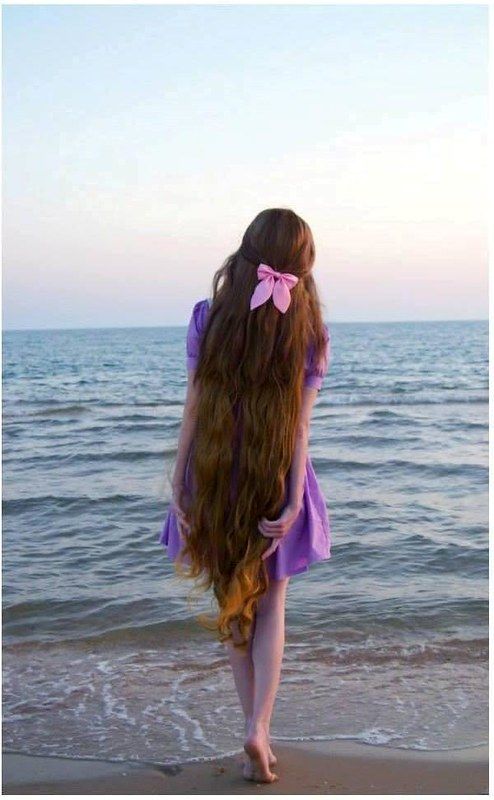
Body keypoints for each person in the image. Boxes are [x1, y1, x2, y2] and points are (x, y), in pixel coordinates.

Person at [159, 207, 331, 783]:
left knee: (233, 606)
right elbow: (300, 428)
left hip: (213, 474)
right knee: (273, 604)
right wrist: (294, 500)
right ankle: (261, 728)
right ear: (301, 267)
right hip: (273, 470)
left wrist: (177, 484)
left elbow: (193, 407)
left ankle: (251, 729)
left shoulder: (209, 319)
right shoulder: (309, 332)